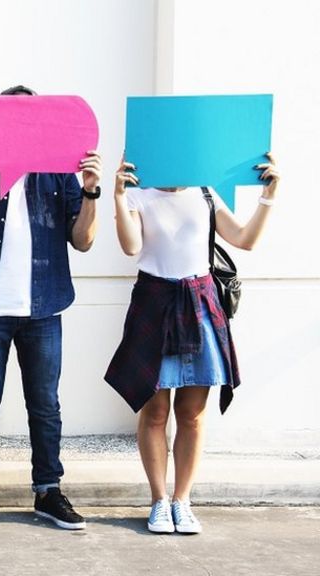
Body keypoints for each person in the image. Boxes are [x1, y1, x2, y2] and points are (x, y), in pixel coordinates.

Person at [0, 85, 102, 530]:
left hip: (43, 307)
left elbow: (83, 241)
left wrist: (90, 191)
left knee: (45, 405)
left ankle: (48, 491)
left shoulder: (59, 172)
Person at [105, 153, 280, 534]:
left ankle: (182, 501)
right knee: (154, 412)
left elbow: (245, 239)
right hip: (154, 302)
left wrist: (268, 195)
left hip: (200, 303)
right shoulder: (139, 194)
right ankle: (159, 501)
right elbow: (131, 247)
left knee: (192, 413)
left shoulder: (205, 192)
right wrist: (117, 195)